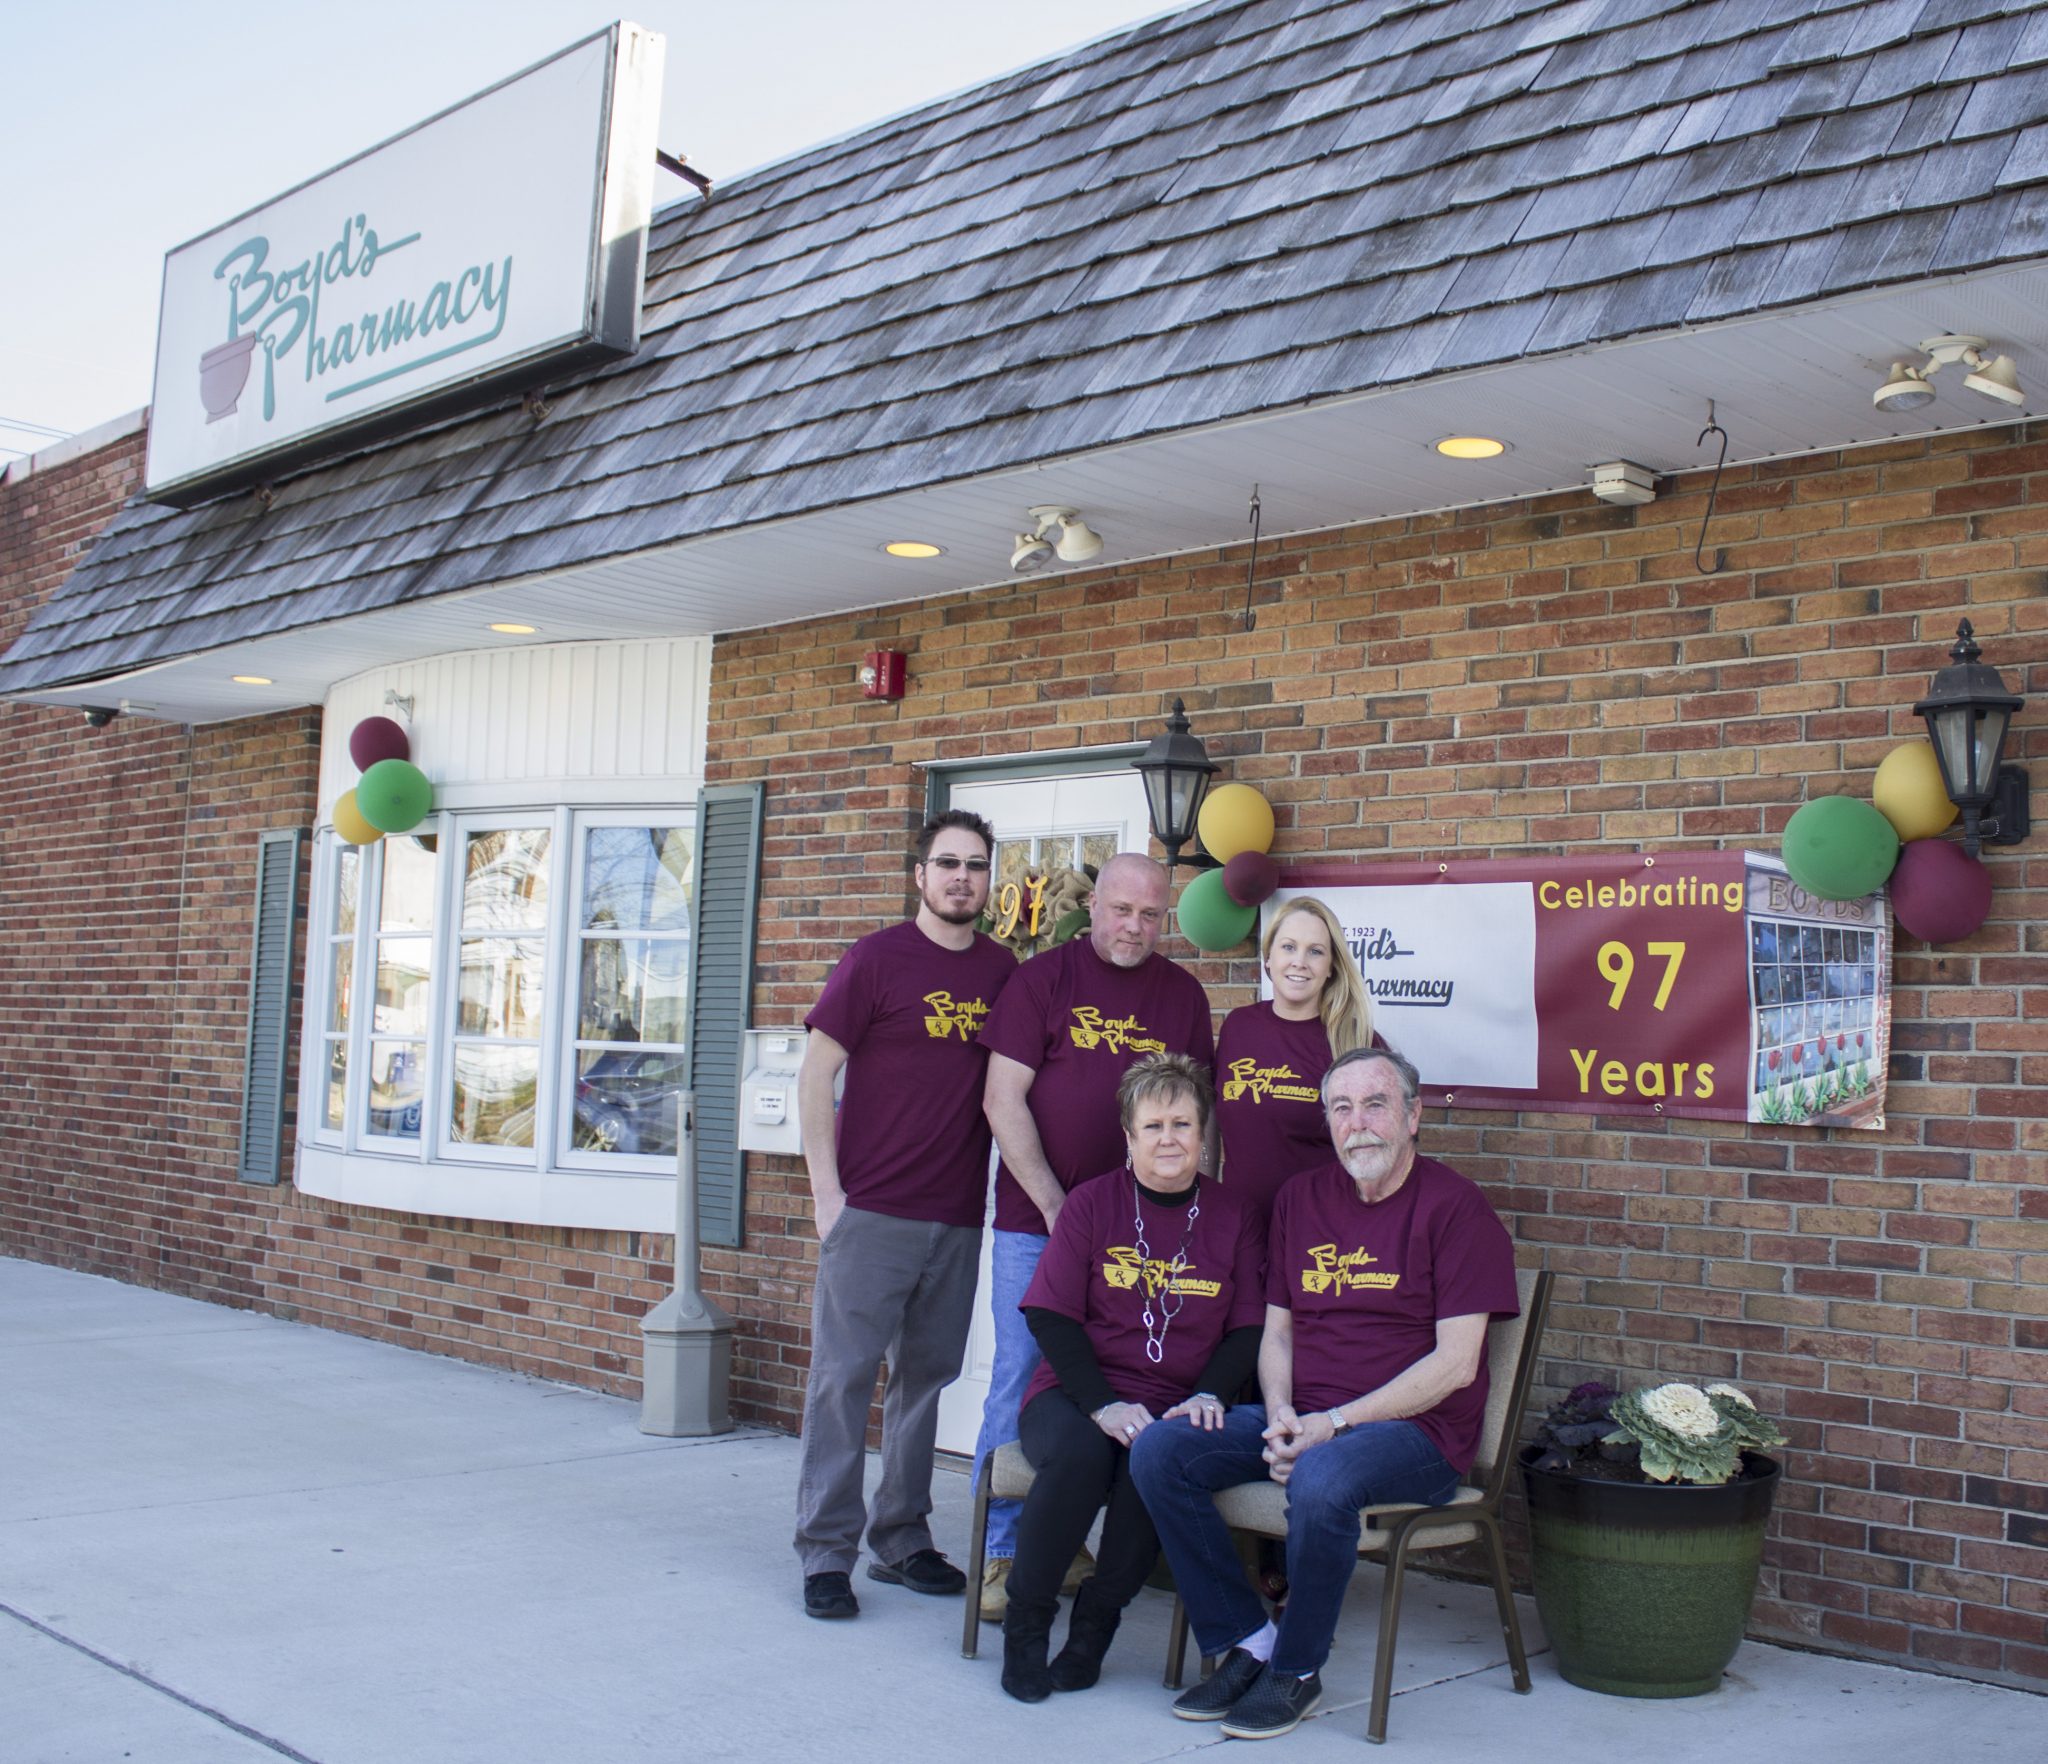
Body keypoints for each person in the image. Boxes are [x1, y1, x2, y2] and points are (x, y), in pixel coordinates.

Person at [1130, 1045, 1519, 1741]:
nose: (1358, 1122)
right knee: (1163, 1450)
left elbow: (1457, 1366)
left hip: (1418, 1435)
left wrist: (1332, 1426)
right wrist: (1281, 1414)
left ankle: (1298, 1669)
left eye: (1375, 1104)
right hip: (1309, 1420)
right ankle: (1248, 1641)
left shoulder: (1456, 1209)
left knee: (1322, 1477)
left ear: (1413, 1115)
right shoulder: (1302, 1200)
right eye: (1341, 1108)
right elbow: (1275, 1334)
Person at [971, 852, 1215, 1620]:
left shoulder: (1182, 996)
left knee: (1129, 1382)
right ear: (1095, 904)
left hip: (1146, 1242)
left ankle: (1088, 1547)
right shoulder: (1041, 981)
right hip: (1034, 1225)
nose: (1134, 928)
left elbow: (1196, 1123)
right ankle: (1000, 1555)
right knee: (1020, 1377)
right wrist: (1054, 1204)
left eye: (1150, 915)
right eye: (1121, 910)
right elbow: (1000, 1100)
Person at [791, 809, 1019, 1621]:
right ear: (919, 874)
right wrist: (828, 1195)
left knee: (925, 1383)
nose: (963, 877)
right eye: (948, 863)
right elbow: (816, 1076)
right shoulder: (876, 961)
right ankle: (825, 1552)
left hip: (956, 1215)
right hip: (871, 1214)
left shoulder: (1003, 971)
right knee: (843, 1383)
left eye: (977, 865)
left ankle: (901, 1537)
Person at [1000, 1053, 1265, 1703]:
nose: (1169, 1138)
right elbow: (1050, 1316)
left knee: (1159, 1456)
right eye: (1154, 1126)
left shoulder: (1235, 1215)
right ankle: (1026, 1626)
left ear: (1204, 1134)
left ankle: (1094, 1628)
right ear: (1129, 1137)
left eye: (1182, 1124)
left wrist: (1209, 1392)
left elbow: (1248, 1328)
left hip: (1176, 1401)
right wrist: (1103, 1406)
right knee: (1083, 1455)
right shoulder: (1093, 1205)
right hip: (1074, 1393)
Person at [1214, 896, 1376, 1219]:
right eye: (1288, 947)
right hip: (1239, 1229)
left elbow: (1378, 1156)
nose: (1299, 961)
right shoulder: (1238, 1027)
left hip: (1320, 1233)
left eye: (1315, 951)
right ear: (1269, 958)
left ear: (1331, 966)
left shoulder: (1356, 1043)